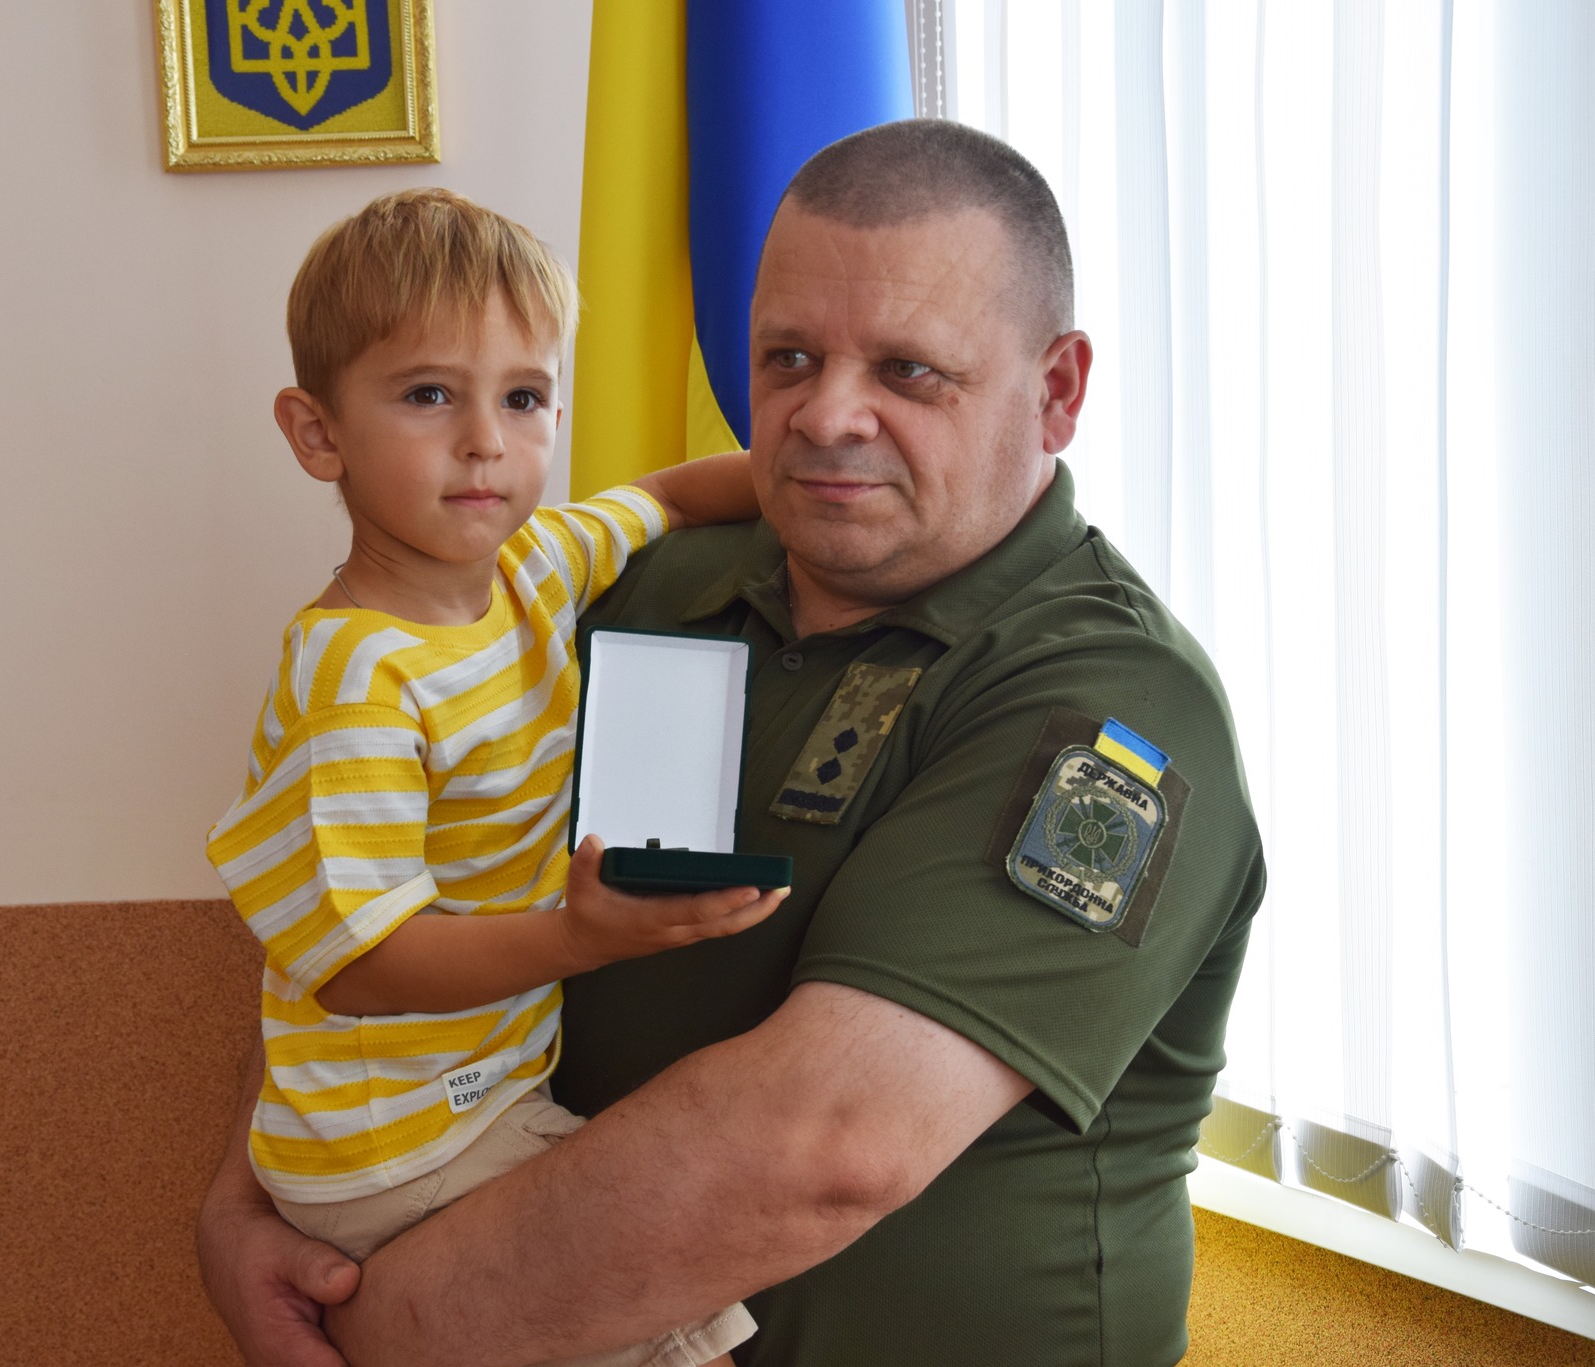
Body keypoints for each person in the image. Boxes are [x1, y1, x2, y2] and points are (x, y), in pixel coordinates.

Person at [199, 122, 1266, 1367]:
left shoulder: (1107, 704)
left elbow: (827, 1146)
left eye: (908, 370)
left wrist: (370, 1332)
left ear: (1058, 391)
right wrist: (249, 1200)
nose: (827, 414)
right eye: (788, 357)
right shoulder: (617, 589)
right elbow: (374, 897)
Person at [206, 186, 784, 1367]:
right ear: (318, 434)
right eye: (429, 394)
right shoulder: (357, 673)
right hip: (391, 1142)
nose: (485, 441)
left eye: (522, 398)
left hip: (481, 1093)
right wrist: (578, 937)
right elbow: (360, 964)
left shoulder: (534, 564)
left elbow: (671, 494)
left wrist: (807, 490)